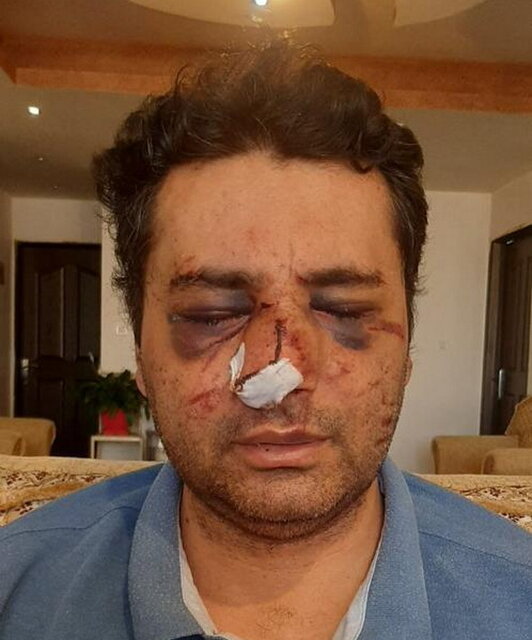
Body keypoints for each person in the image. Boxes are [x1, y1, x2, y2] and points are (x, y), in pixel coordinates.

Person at [0, 39, 530, 640]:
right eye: (211, 315)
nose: (279, 377)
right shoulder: (16, 592)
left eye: (344, 309)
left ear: (405, 347)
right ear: (141, 353)